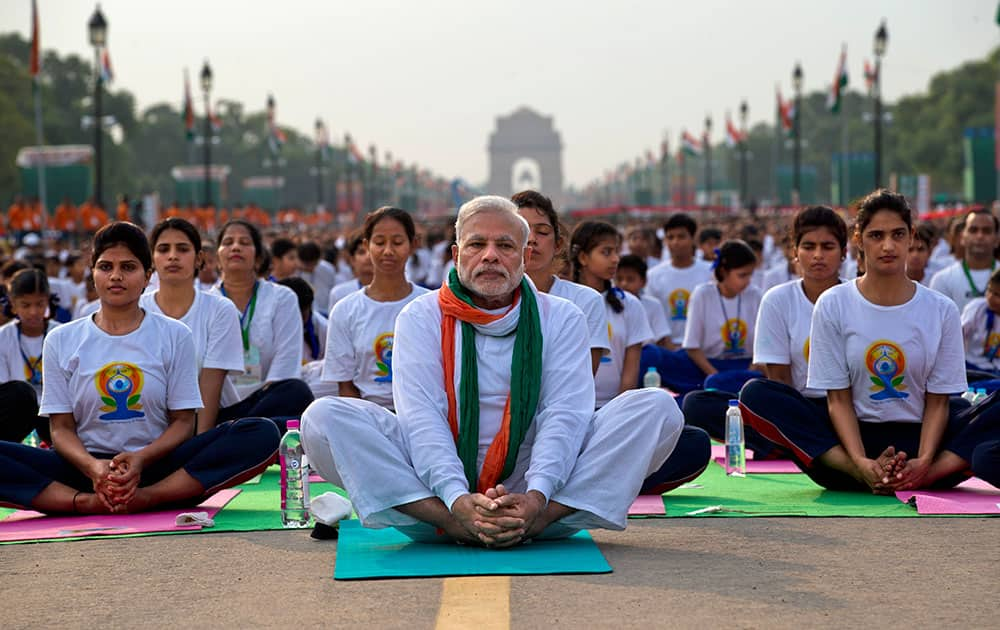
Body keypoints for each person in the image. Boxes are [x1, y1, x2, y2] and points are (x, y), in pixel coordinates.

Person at [300, 196, 684, 546]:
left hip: (540, 486)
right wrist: (455, 501)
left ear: (523, 255)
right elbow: (422, 418)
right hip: (431, 491)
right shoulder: (420, 315)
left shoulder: (562, 316)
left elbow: (564, 415)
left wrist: (536, 498)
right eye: (476, 244)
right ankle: (454, 525)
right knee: (322, 418)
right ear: (455, 253)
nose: (490, 256)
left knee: (658, 409)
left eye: (504, 245)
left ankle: (534, 522)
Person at [0, 222, 279, 514]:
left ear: (147, 276)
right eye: (105, 267)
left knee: (260, 432)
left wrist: (141, 460)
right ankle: (84, 502)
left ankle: (149, 498)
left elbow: (183, 423)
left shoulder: (175, 334)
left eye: (128, 267)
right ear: (92, 273)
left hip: (159, 466)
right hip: (83, 470)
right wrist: (95, 468)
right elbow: (61, 428)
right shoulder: (62, 339)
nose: (116, 276)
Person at [740, 190, 1000, 493]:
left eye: (897, 234)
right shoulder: (834, 303)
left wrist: (926, 461)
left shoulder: (941, 309)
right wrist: (861, 463)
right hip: (846, 444)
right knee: (757, 393)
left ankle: (924, 477)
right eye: (876, 236)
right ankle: (862, 475)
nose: (887, 246)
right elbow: (837, 399)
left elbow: (938, 401)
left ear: (911, 236)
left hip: (921, 442)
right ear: (859, 239)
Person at [684, 206, 847, 456]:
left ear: (844, 253)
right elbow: (778, 380)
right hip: (798, 407)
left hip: (848, 409)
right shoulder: (778, 299)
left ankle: (795, 446)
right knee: (699, 404)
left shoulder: (854, 299)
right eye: (808, 246)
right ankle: (803, 443)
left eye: (827, 247)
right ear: (794, 252)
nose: (817, 255)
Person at [139, 218, 245, 433]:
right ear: (152, 259)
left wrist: (198, 446)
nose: (173, 256)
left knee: (291, 392)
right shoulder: (136, 308)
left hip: (209, 420)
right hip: (150, 423)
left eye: (182, 249)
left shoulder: (219, 309)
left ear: (198, 259)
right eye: (163, 249)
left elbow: (211, 384)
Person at [211, 220, 314, 431]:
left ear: (258, 257)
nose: (235, 247)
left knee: (297, 391)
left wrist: (259, 406)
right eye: (228, 242)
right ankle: (245, 433)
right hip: (218, 408)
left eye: (244, 242)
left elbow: (286, 363)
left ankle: (235, 433)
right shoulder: (205, 303)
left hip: (269, 402)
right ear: (218, 258)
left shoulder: (281, 298)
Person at [322, 207, 429, 409]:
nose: (388, 251)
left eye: (397, 242)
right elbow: (345, 386)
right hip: (368, 414)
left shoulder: (431, 304)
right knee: (320, 411)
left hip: (422, 412)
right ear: (367, 245)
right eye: (379, 243)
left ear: (413, 245)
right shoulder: (345, 310)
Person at [512, 190, 609, 374]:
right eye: (522, 230)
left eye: (542, 232)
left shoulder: (586, 301)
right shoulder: (488, 298)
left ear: (558, 245)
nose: (532, 239)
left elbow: (581, 380)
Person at [569, 221, 652, 408]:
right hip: (571, 406)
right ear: (583, 257)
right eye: (606, 252)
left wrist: (617, 412)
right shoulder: (563, 302)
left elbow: (630, 373)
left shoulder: (629, 304)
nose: (615, 259)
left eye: (616, 251)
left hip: (615, 406)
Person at [683, 239, 763, 378]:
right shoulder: (702, 294)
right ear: (723, 271)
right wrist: (714, 375)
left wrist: (750, 371)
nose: (748, 281)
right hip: (710, 365)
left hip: (747, 365)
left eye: (750, 275)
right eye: (742, 275)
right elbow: (692, 347)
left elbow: (764, 343)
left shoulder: (755, 294)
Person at [0, 268, 59, 443]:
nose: (33, 312)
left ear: (47, 301)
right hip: (18, 414)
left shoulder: (63, 334)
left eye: (39, 304)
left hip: (54, 416)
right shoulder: (3, 337)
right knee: (20, 393)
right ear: (13, 304)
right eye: (25, 305)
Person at [646, 214, 713, 350]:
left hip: (703, 350)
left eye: (681, 237)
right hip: (666, 350)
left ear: (693, 239)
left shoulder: (710, 272)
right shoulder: (653, 275)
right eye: (670, 237)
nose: (675, 242)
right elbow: (652, 316)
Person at [930, 209, 1000, 313]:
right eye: (973, 230)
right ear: (962, 237)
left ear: (997, 240)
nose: (979, 236)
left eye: (986, 231)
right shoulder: (942, 280)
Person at [615, 254, 670, 346]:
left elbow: (661, 339)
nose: (624, 284)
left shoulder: (654, 305)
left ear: (643, 281)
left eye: (630, 279)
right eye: (619, 279)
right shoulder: (607, 304)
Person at [960, 267, 1000, 375]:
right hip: (972, 365)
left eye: (997, 295)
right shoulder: (977, 307)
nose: (990, 297)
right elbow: (957, 334)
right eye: (989, 290)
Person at [327, 231, 374, 310]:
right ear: (352, 259)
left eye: (372, 251)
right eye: (361, 252)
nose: (368, 256)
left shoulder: (397, 294)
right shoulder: (339, 294)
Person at [298, 241, 337, 316]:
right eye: (306, 265)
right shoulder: (295, 271)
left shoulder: (328, 269)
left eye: (313, 264)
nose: (310, 268)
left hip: (326, 311)